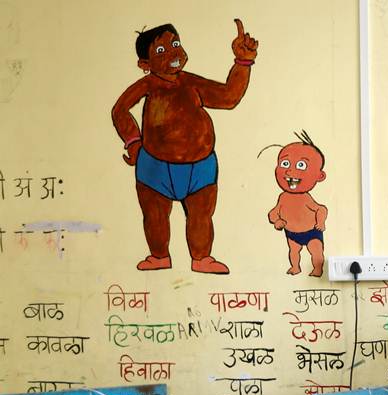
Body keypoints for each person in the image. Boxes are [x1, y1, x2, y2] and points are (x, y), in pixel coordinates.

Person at [111, 20, 259, 274]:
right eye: (160, 51)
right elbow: (120, 110)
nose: (173, 53)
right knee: (155, 216)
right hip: (155, 166)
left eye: (175, 44)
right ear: (144, 65)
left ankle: (202, 258)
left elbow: (228, 97)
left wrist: (242, 62)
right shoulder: (147, 86)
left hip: (200, 165)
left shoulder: (191, 83)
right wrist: (134, 142)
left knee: (201, 215)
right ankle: (159, 256)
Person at [268, 131, 328, 277]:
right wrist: (277, 221)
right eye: (285, 163)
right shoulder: (283, 197)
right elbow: (273, 213)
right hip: (292, 233)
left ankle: (318, 269)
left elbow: (321, 209)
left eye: (301, 165)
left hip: (312, 232)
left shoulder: (306, 198)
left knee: (316, 251)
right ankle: (295, 267)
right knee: (294, 251)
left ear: (320, 176)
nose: (290, 170)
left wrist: (320, 222)